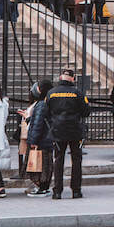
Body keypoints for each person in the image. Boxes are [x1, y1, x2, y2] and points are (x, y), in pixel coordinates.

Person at [46, 69, 90, 199]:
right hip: (75, 130)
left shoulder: (51, 93)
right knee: (76, 160)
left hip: (58, 129)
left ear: (61, 77)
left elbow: (46, 111)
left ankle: (57, 191)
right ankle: (76, 190)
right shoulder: (78, 93)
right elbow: (86, 111)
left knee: (58, 160)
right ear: (72, 78)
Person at [25, 79, 55, 196]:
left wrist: (33, 140)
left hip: (42, 139)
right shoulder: (47, 102)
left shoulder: (41, 104)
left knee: (42, 164)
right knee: (46, 163)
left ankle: (42, 187)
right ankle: (44, 187)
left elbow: (38, 123)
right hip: (47, 138)